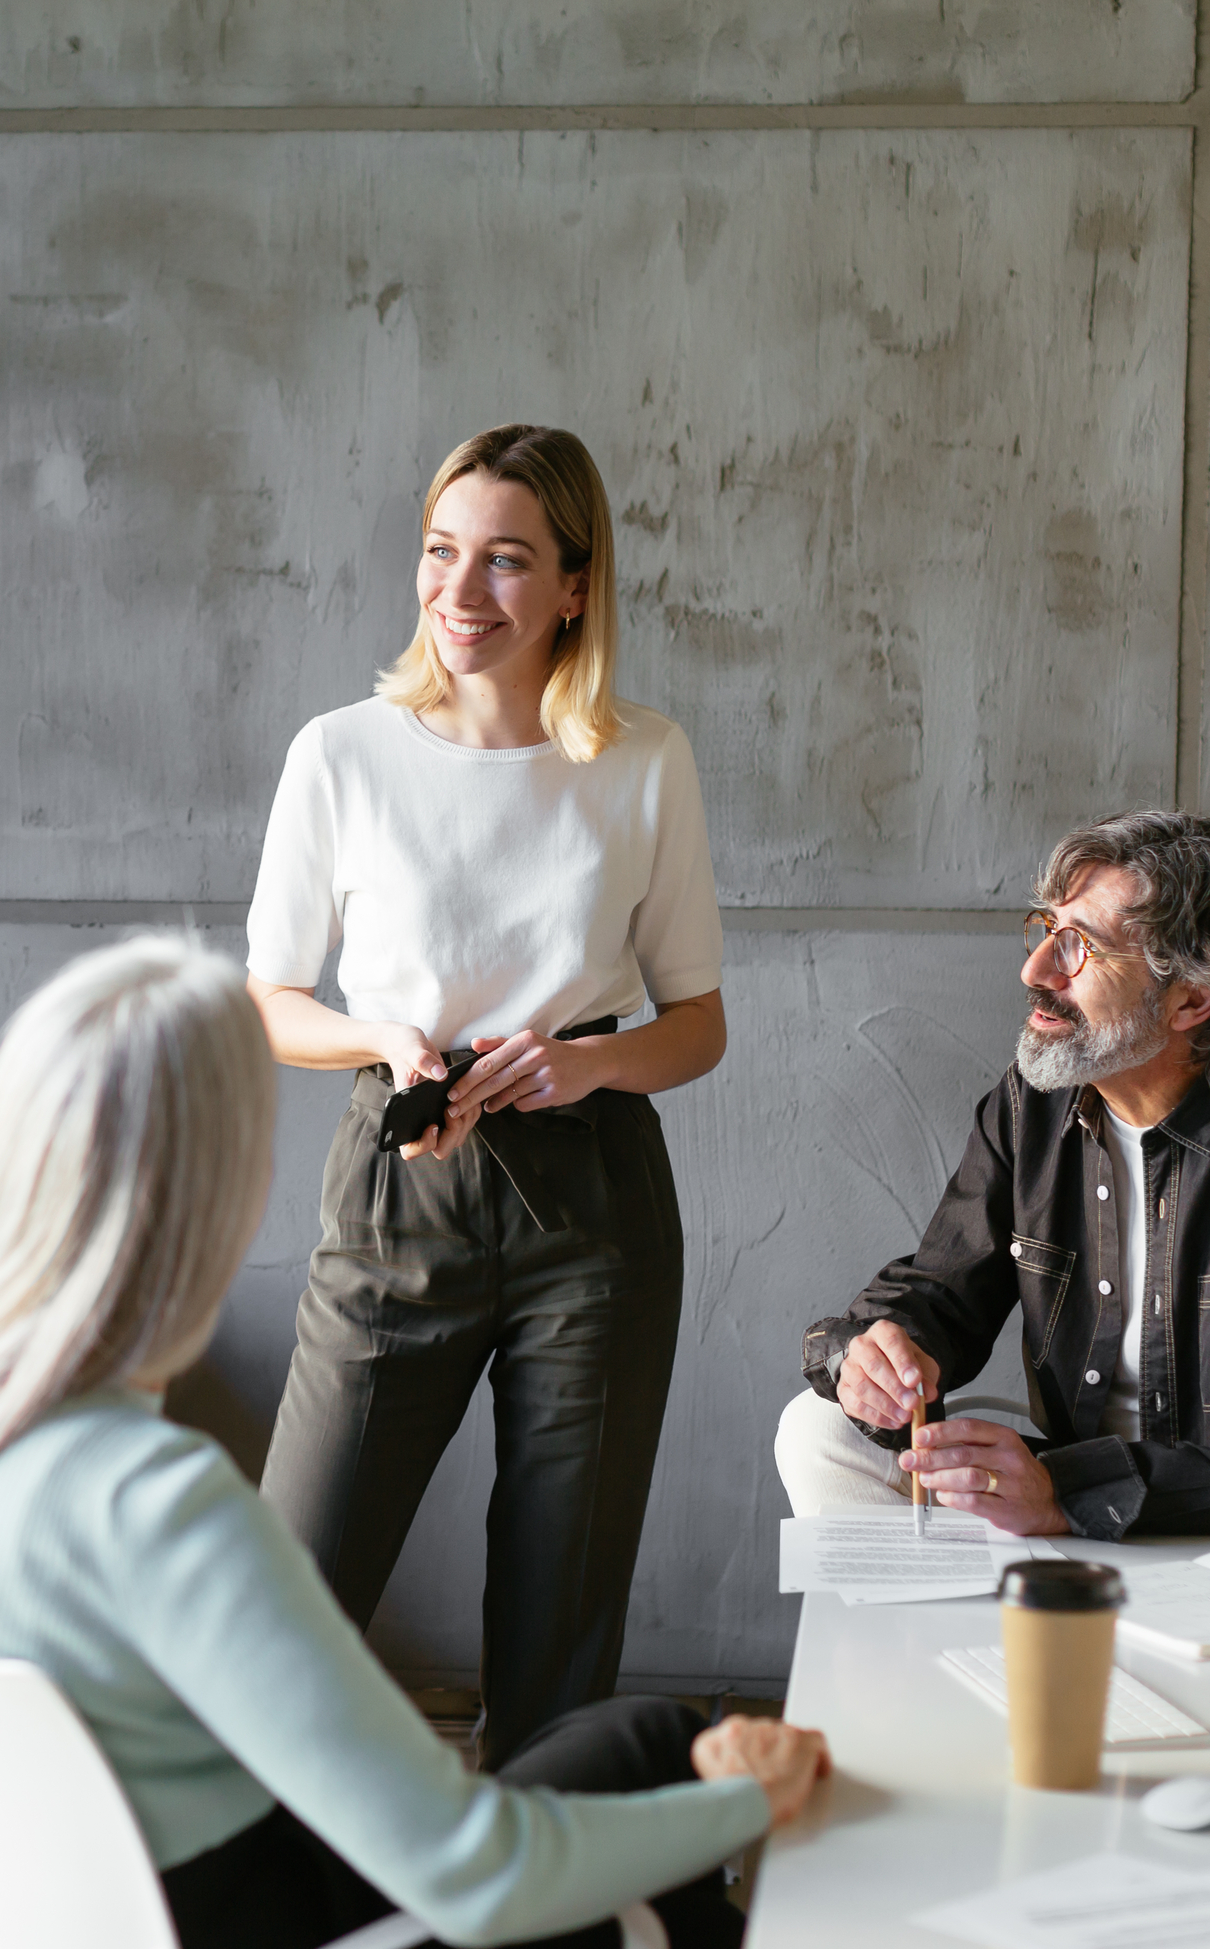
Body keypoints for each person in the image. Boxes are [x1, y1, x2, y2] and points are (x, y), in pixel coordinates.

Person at [0, 937, 826, 1949]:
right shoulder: (152, 1495)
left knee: (644, 1737)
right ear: (221, 1198)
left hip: (16, 1910)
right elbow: (479, 1875)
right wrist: (743, 1802)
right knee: (674, 1762)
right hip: (249, 1912)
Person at [242, 424, 727, 1766]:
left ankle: (536, 1905)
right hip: (404, 1173)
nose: (461, 591)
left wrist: (585, 1060)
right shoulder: (342, 752)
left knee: (559, 1633)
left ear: (576, 585)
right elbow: (272, 1002)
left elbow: (697, 1024)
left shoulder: (644, 758)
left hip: (597, 1196)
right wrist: (381, 1038)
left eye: (506, 560)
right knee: (291, 1594)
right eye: (442, 553)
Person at [775, 811, 1210, 1539]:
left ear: (1193, 1001)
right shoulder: (1030, 1106)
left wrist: (1063, 1493)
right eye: (1046, 927)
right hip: (1072, 1506)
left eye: (1080, 947)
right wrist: (873, 1353)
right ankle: (944, 1642)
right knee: (820, 1430)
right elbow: (941, 1292)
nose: (1036, 969)